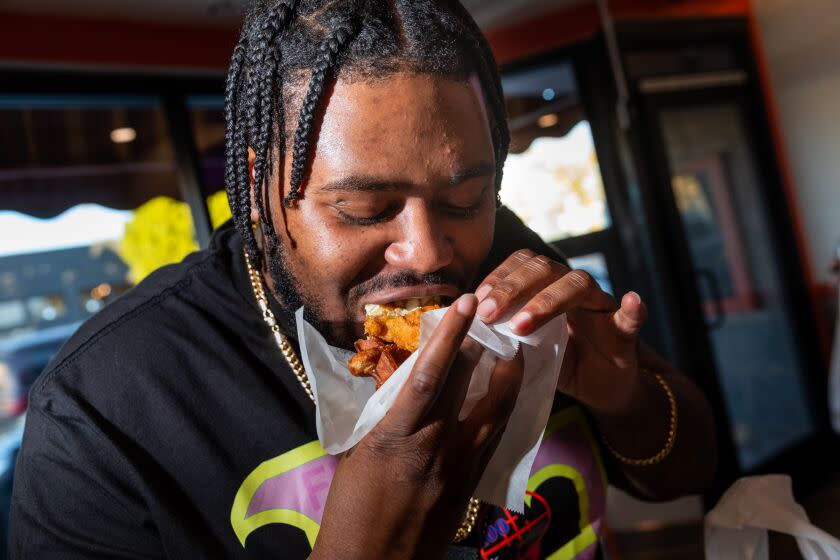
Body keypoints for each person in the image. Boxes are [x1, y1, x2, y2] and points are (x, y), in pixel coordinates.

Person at [8, 1, 717, 558]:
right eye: (363, 209)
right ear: (258, 186)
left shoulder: (510, 261)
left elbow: (683, 474)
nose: (428, 251)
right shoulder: (102, 406)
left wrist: (625, 395)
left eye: (465, 198)